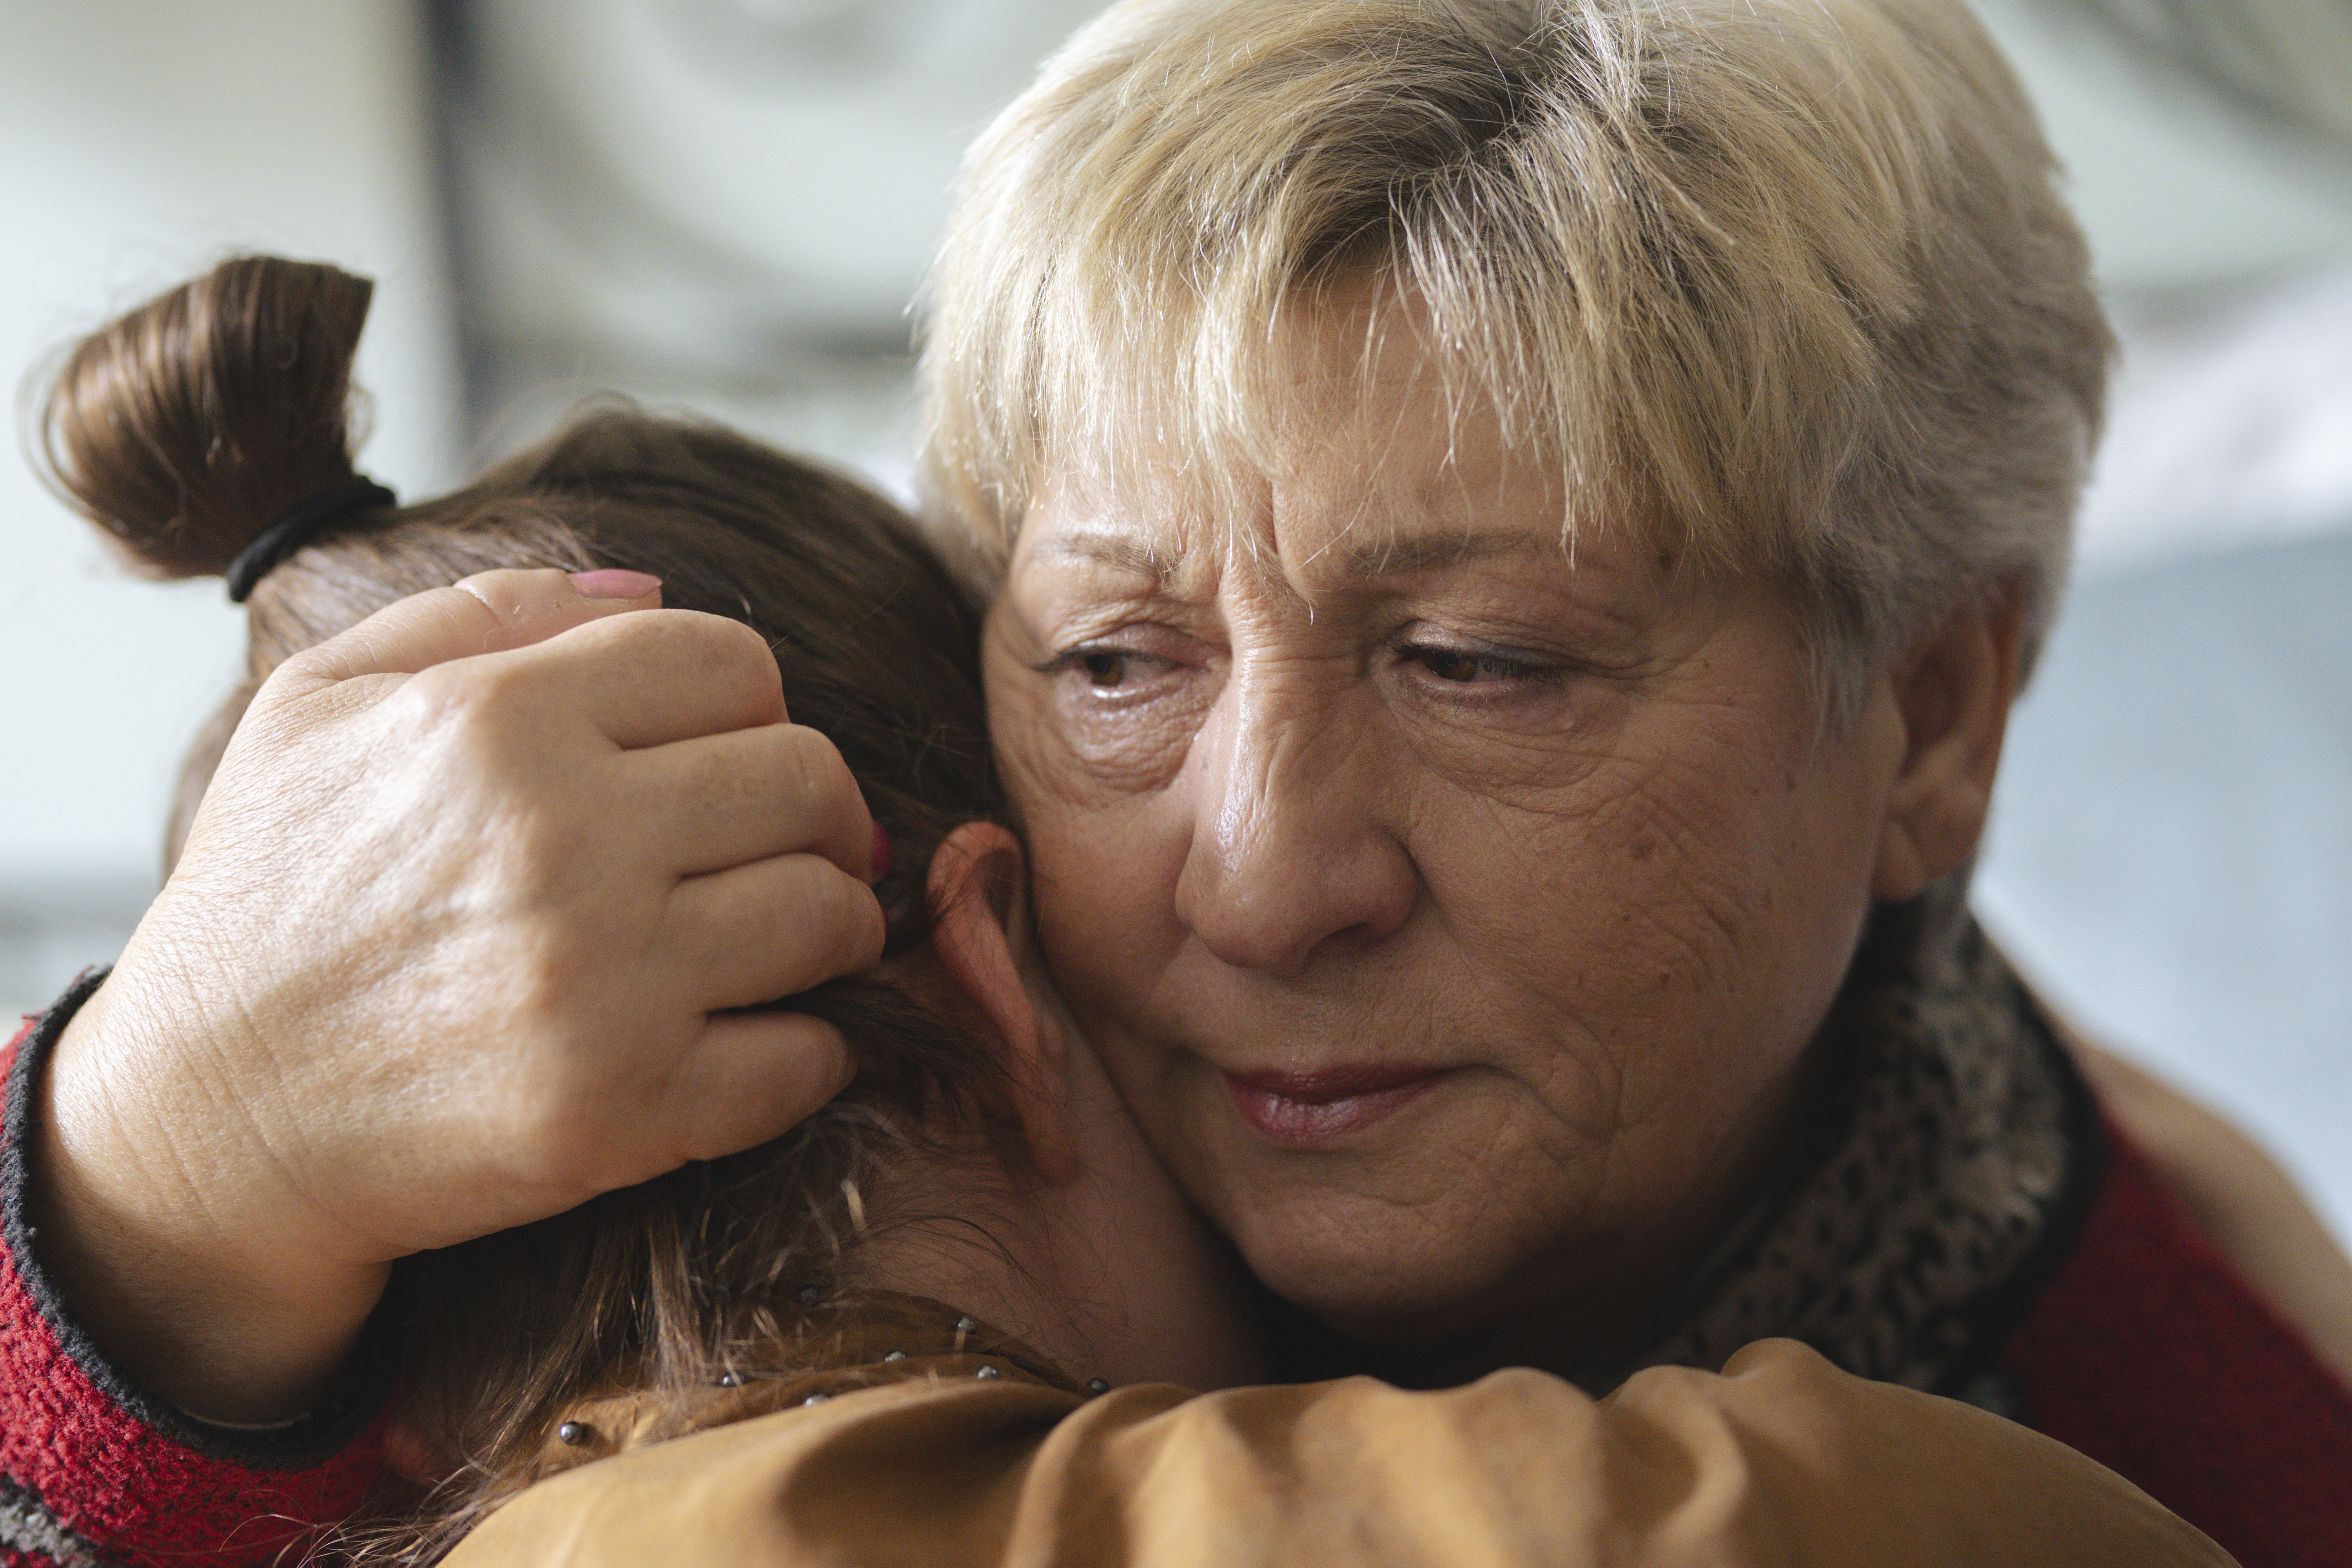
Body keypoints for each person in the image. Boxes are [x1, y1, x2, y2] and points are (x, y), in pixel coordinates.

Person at [9, 0, 2352, 1561]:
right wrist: (156, 1175)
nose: (1261, 879)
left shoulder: (2169, 1412)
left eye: (1479, 661)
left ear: (1933, 720)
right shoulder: (602, 1153)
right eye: (1120, 658)